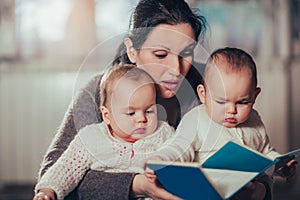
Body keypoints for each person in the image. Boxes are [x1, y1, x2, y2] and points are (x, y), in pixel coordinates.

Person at [36, 0, 272, 199]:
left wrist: (258, 191)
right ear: (132, 50)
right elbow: (53, 176)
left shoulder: (208, 88)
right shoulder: (98, 90)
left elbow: (252, 151)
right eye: (160, 54)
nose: (176, 69)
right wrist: (137, 184)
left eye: (186, 54)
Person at [146, 47, 297, 200]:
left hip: (246, 190)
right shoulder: (196, 119)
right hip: (206, 192)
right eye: (221, 101)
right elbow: (179, 146)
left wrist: (280, 165)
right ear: (203, 94)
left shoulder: (254, 120)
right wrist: (162, 160)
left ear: (255, 96)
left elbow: (265, 151)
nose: (231, 110)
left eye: (243, 102)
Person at [33, 65, 176, 200]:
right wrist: (47, 191)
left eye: (149, 110)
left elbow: (182, 159)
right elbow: (65, 169)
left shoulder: (164, 134)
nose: (142, 119)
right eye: (131, 113)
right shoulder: (91, 138)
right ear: (107, 115)